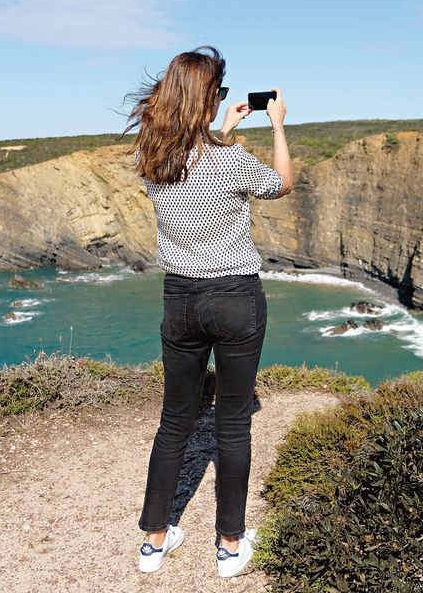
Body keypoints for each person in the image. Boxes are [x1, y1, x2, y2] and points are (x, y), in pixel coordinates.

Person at [119, 46, 292, 578]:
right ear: (204, 100)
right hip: (236, 297)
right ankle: (230, 547)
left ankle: (153, 542)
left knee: (176, 420)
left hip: (181, 300)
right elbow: (281, 184)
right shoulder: (230, 161)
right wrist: (278, 126)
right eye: (217, 93)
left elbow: (193, 160)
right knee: (232, 424)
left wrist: (219, 123)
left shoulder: (152, 159)